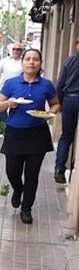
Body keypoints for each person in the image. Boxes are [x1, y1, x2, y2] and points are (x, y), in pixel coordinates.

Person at [0, 49, 60, 224]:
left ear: (40, 63)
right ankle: (18, 188)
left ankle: (26, 209)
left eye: (35, 59)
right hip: (14, 133)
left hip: (37, 134)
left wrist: (49, 114)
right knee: (12, 172)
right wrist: (9, 103)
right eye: (28, 59)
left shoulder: (46, 85)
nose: (32, 62)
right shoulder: (11, 83)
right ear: (22, 62)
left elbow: (55, 104)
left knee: (32, 174)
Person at [54, 38, 79, 184]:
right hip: (71, 98)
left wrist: (59, 102)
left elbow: (60, 83)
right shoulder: (69, 61)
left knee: (66, 136)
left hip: (69, 99)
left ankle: (60, 169)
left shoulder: (69, 61)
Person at [0, 42, 26, 129]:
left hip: (19, 89)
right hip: (5, 89)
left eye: (18, 49)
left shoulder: (24, 62)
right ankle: (3, 127)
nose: (16, 51)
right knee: (0, 108)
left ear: (22, 51)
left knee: (17, 109)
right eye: (14, 49)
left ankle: (13, 127)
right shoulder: (4, 61)